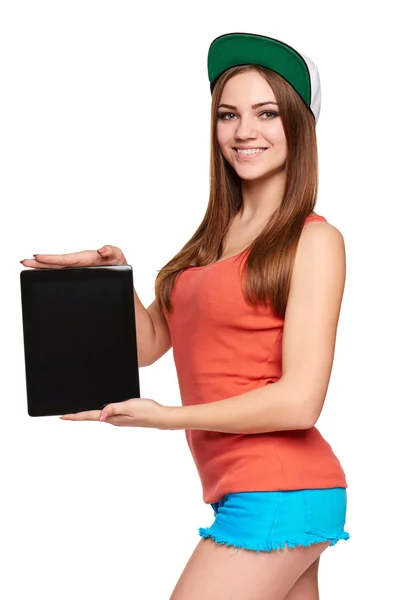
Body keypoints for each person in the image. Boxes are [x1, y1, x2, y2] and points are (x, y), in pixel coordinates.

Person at [21, 33, 350, 600]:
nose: (244, 131)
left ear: (299, 124)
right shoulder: (210, 241)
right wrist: (111, 279)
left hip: (278, 488)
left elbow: (300, 401)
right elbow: (149, 344)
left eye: (266, 113)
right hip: (247, 489)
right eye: (229, 115)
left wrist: (163, 417)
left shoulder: (313, 241)